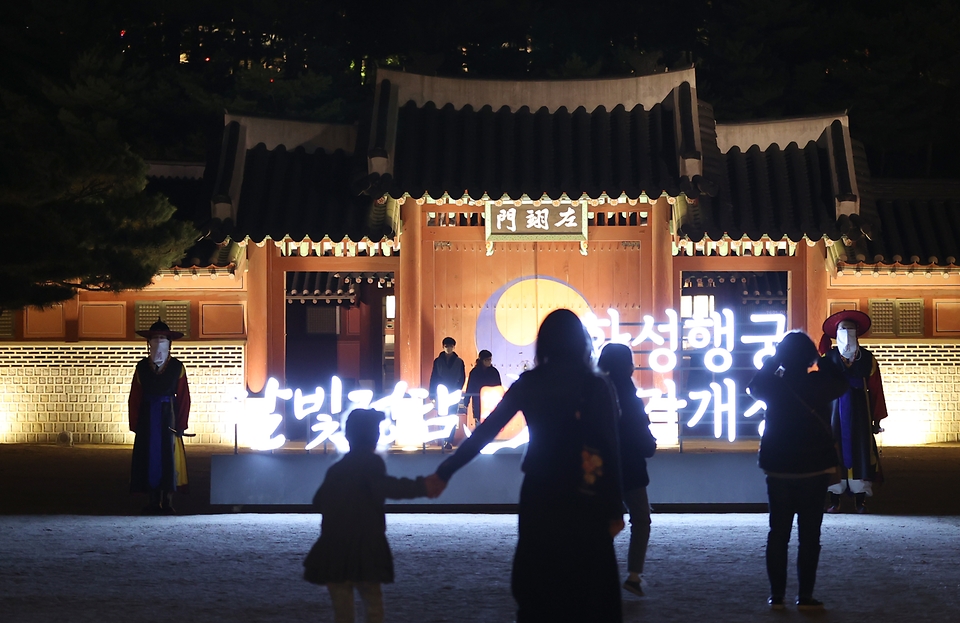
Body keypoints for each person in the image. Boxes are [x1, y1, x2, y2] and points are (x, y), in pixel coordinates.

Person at [425, 309, 625, 623]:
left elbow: (485, 432)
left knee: (539, 581)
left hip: (541, 489)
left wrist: (445, 472)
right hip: (587, 494)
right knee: (589, 585)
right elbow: (610, 448)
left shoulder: (530, 383)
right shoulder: (596, 386)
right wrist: (615, 506)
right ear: (581, 342)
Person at [747, 331, 849, 611]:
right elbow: (841, 384)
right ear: (809, 356)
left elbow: (753, 387)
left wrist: (772, 361)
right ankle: (805, 595)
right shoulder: (819, 384)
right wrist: (826, 359)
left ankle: (776, 595)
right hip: (814, 468)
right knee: (810, 535)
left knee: (777, 533)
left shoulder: (773, 384)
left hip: (778, 467)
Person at [303, 409, 431, 623]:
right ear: (374, 437)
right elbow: (387, 487)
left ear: (348, 437)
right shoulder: (372, 464)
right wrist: (422, 487)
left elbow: (319, 501)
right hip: (366, 546)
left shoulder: (336, 469)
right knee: (373, 605)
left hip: (335, 548)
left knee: (343, 612)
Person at [597, 343, 657, 598]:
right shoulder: (629, 392)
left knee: (601, 521)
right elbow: (639, 432)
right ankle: (634, 574)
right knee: (641, 518)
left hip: (601, 467)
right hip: (631, 465)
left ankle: (599, 574)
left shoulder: (595, 389)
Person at [818, 310, 888, 513]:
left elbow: (876, 389)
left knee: (861, 451)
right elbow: (819, 387)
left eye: (851, 329)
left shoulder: (867, 359)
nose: (847, 332)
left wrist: (876, 417)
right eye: (842, 329)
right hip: (834, 410)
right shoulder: (828, 357)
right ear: (836, 332)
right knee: (834, 450)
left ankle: (860, 500)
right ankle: (834, 499)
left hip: (860, 411)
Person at [128, 320, 191, 515]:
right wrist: (135, 422)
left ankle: (168, 500)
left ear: (170, 342)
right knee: (148, 456)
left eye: (162, 338)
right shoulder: (141, 367)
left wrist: (181, 423)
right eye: (155, 338)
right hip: (148, 416)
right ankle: (152, 500)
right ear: (149, 343)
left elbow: (184, 397)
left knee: (168, 457)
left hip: (168, 415)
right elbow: (135, 396)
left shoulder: (177, 367)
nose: (159, 342)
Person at [429, 336, 466, 450]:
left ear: (454, 347)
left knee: (452, 417)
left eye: (450, 346)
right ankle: (444, 439)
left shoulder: (459, 362)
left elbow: (463, 377)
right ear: (443, 347)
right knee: (442, 416)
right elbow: (434, 377)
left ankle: (449, 440)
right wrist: (432, 393)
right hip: (441, 392)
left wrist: (458, 389)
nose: (448, 348)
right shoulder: (438, 361)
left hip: (453, 392)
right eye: (446, 346)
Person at [462, 349, 502, 426]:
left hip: (490, 401)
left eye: (490, 359)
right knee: (478, 421)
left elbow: (498, 386)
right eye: (486, 360)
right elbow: (470, 387)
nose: (489, 362)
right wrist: (466, 401)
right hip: (478, 400)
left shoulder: (494, 372)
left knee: (491, 421)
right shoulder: (474, 372)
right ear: (481, 360)